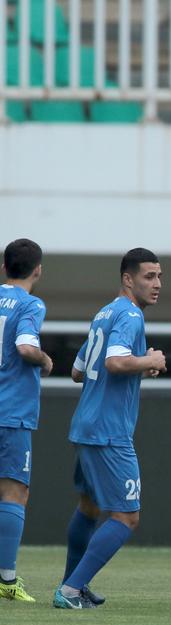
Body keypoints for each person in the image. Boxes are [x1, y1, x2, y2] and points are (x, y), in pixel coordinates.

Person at [55, 249, 167, 609]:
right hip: (108, 431)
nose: (157, 284)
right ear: (127, 279)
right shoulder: (130, 315)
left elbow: (77, 371)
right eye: (149, 276)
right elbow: (114, 361)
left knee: (89, 507)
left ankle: (73, 585)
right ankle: (71, 590)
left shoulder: (104, 313)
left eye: (159, 276)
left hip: (85, 425)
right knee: (126, 516)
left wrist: (138, 368)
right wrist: (149, 360)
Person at [0, 239, 52, 604]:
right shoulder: (31, 304)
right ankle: (6, 580)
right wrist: (46, 360)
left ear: (4, 268)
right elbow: (25, 347)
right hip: (10, 412)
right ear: (37, 270)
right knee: (14, 492)